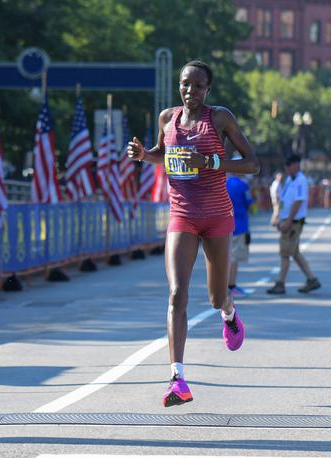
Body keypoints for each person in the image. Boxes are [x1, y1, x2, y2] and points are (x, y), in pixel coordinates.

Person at [126, 60, 260, 407]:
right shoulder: (167, 119)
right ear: (179, 86)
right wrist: (144, 155)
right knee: (176, 294)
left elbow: (252, 163)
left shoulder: (220, 119)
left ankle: (229, 315)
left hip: (217, 217)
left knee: (216, 297)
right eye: (185, 84)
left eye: (198, 86)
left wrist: (212, 163)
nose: (190, 91)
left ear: (208, 90)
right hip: (182, 215)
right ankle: (177, 378)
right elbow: (162, 153)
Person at [266, 153, 320, 295]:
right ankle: (311, 279)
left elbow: (298, 201)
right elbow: (285, 200)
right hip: (288, 220)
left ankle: (280, 283)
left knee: (285, 253)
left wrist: (288, 220)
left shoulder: (301, 180)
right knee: (294, 253)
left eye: (289, 166)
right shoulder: (290, 179)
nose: (287, 169)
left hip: (294, 222)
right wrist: (280, 218)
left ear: (296, 165)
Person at [226, 164, 253, 298]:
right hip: (240, 225)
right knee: (234, 257)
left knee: (225, 257)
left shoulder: (224, 183)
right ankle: (231, 286)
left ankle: (224, 286)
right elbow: (250, 203)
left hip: (224, 225)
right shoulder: (243, 185)